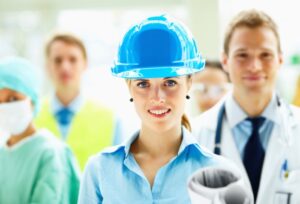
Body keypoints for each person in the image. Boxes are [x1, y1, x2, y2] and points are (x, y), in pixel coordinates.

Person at [77, 15, 248, 204]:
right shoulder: (100, 170)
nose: (157, 97)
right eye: (143, 84)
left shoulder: (222, 175)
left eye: (170, 82)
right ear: (129, 86)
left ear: (189, 83)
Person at [192, 9, 300, 203]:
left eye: (265, 55)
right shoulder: (194, 136)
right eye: (243, 55)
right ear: (225, 60)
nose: (254, 66)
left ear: (280, 60)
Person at [35, 33, 124, 170]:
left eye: (73, 59)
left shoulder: (110, 119)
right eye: (58, 60)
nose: (65, 67)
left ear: (85, 64)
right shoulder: (31, 117)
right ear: (47, 66)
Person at [0, 57, 80, 203]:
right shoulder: (2, 152)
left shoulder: (50, 153)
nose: (4, 107)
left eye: (13, 98)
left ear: (32, 101)